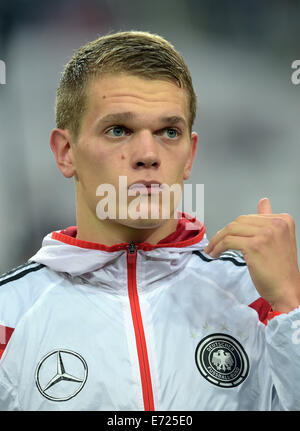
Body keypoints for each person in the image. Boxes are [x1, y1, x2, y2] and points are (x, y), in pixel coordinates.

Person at [0, 30, 300, 411]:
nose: (147, 154)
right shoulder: (8, 314)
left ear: (189, 155)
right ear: (65, 152)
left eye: (168, 132)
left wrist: (291, 309)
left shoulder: (260, 298)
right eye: (119, 130)